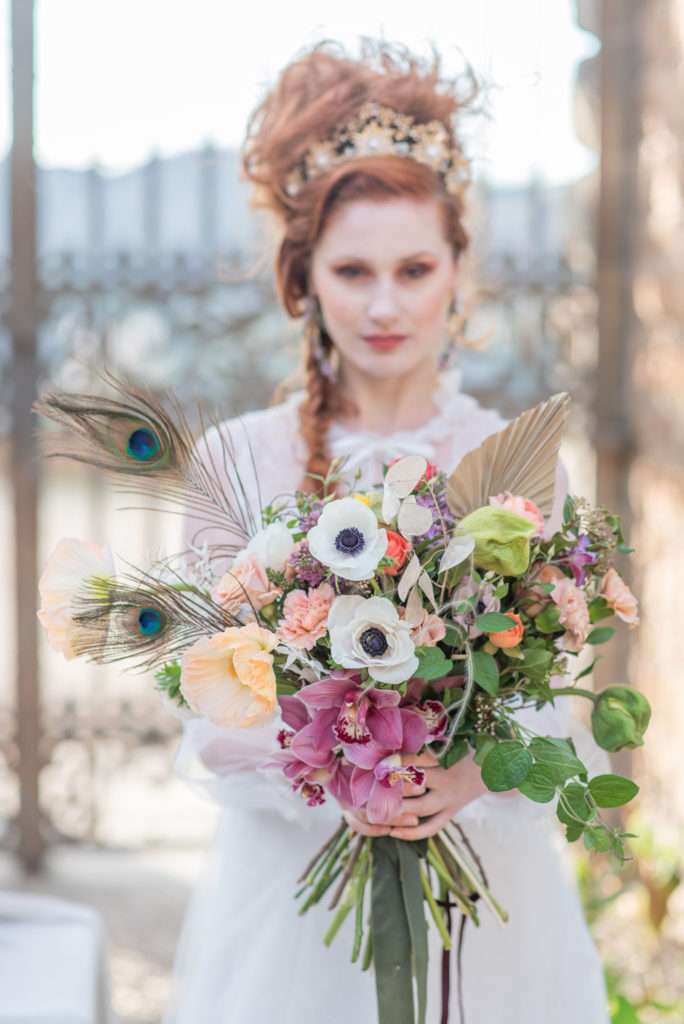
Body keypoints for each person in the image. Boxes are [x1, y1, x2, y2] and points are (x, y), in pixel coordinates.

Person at [164, 42, 610, 1024]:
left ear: (458, 272)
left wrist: (464, 772)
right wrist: (339, 772)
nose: (383, 304)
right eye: (352, 269)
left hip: (490, 909)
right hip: (291, 911)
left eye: (413, 267)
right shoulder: (236, 462)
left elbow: (555, 709)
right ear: (305, 277)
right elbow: (210, 719)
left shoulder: (518, 462)